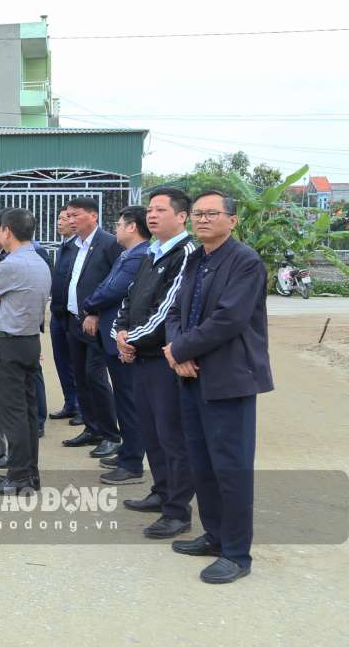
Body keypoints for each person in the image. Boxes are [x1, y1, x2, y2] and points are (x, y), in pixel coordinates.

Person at [164, 190, 273, 584]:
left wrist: (179, 348)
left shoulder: (245, 262)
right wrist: (177, 350)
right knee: (202, 463)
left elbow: (229, 320)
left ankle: (236, 553)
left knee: (231, 468)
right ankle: (213, 535)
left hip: (229, 378)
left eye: (212, 213)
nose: (203, 219)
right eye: (198, 213)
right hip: (190, 374)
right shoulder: (196, 258)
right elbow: (176, 310)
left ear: (233, 220)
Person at [114, 188, 197, 537]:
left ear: (181, 216)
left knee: (172, 436)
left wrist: (130, 339)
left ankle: (177, 511)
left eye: (161, 209)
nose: (152, 215)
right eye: (150, 209)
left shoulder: (186, 253)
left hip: (165, 359)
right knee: (151, 431)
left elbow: (167, 310)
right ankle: (161, 492)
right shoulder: (151, 252)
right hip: (141, 357)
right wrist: (119, 332)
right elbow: (131, 298)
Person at [0, 208, 52, 494]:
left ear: (7, 231)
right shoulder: (39, 261)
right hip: (29, 341)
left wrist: (0, 295)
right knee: (28, 412)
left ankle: (18, 478)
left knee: (12, 414)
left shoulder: (11, 264)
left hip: (8, 342)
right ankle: (28, 473)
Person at [82, 205, 150, 487]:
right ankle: (127, 452)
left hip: (124, 339)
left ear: (132, 227)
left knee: (129, 400)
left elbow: (114, 289)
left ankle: (132, 461)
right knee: (123, 397)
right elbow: (106, 284)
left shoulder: (140, 256)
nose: (116, 229)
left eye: (120, 224)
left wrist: (90, 304)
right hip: (112, 337)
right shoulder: (127, 254)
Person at [59, 197, 123, 458]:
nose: (71, 220)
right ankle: (91, 427)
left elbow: (116, 283)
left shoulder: (109, 243)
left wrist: (96, 312)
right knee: (82, 377)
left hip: (97, 322)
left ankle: (111, 434)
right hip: (75, 320)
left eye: (76, 215)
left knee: (96, 377)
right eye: (69, 215)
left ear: (94, 216)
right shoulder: (75, 245)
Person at [48, 206, 80, 422]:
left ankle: (82, 406)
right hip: (57, 313)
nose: (60, 222)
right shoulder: (63, 248)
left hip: (73, 315)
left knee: (77, 362)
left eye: (66, 218)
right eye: (59, 218)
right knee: (61, 361)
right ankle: (71, 402)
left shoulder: (80, 248)